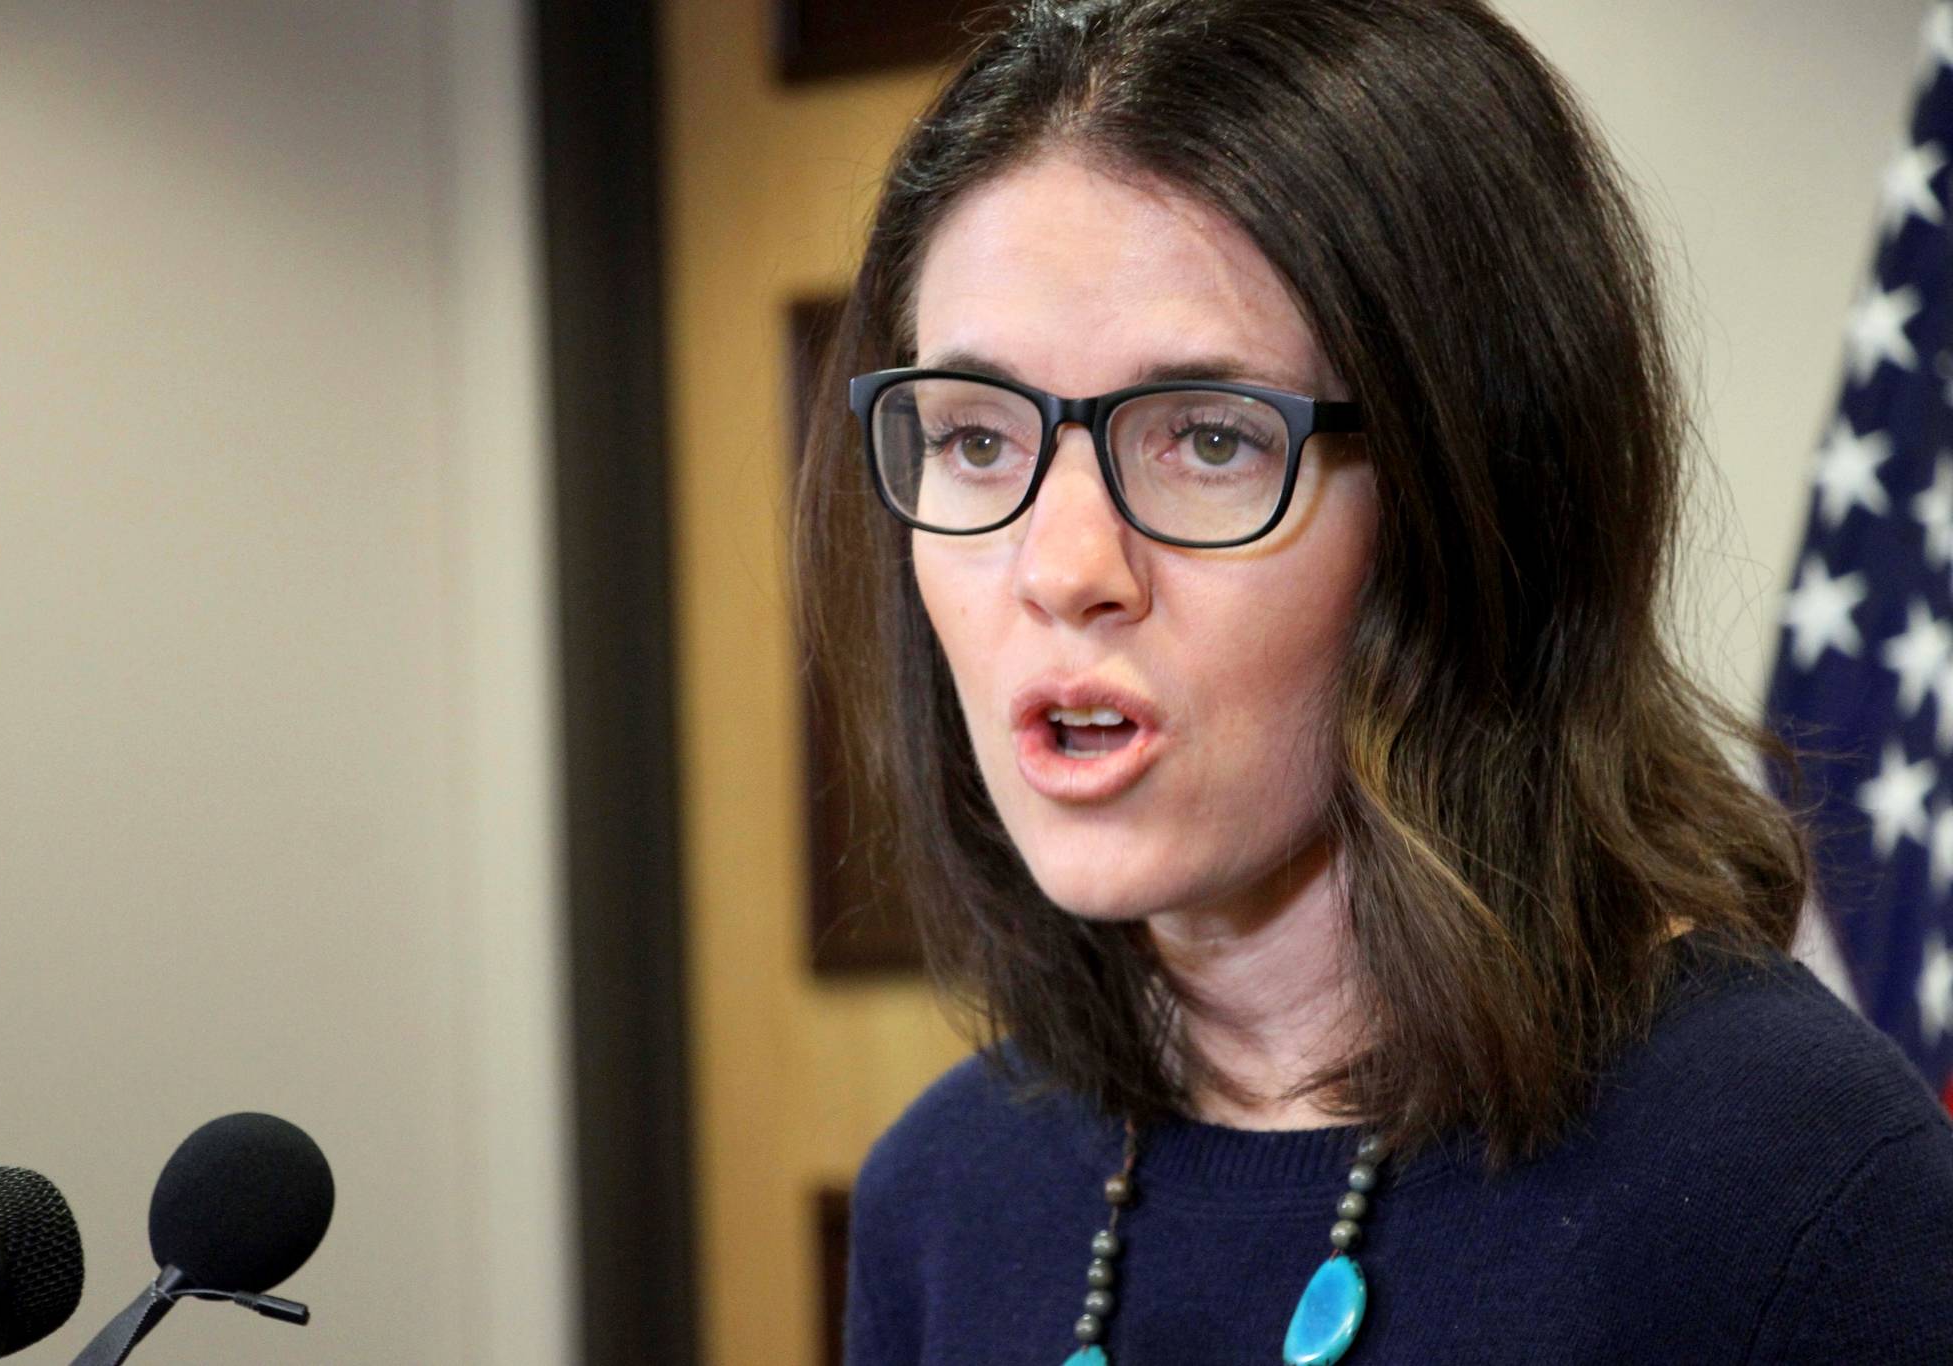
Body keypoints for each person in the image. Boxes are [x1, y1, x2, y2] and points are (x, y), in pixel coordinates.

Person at [790, 1, 1953, 1361]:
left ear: (1475, 500)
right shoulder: (942, 1198)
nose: (1063, 567)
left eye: (1210, 439)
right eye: (977, 438)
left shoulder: (1803, 1189)